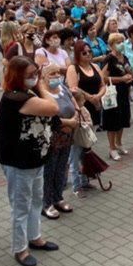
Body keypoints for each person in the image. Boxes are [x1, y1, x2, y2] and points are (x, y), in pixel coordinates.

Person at [0, 56, 60, 266]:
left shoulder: (28, 93)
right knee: (20, 204)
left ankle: (35, 237)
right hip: (18, 160)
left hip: (36, 157)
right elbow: (53, 108)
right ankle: (20, 248)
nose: (34, 78)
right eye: (30, 75)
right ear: (17, 76)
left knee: (36, 200)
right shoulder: (16, 98)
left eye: (36, 73)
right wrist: (41, 84)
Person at [42, 64, 80, 219]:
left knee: (62, 167)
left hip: (67, 137)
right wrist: (67, 123)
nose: (56, 76)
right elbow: (49, 117)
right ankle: (46, 203)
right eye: (52, 73)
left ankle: (58, 197)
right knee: (49, 170)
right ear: (43, 76)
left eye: (58, 73)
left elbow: (75, 103)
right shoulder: (42, 94)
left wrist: (75, 117)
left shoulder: (63, 88)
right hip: (52, 138)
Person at [102, 32, 133, 158]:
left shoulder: (124, 57)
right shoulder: (109, 59)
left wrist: (130, 76)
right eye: (118, 42)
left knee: (123, 118)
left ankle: (119, 143)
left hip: (124, 92)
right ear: (111, 45)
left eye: (122, 42)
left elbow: (128, 70)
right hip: (112, 93)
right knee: (112, 120)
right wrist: (121, 79)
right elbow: (103, 77)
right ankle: (112, 148)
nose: (121, 44)